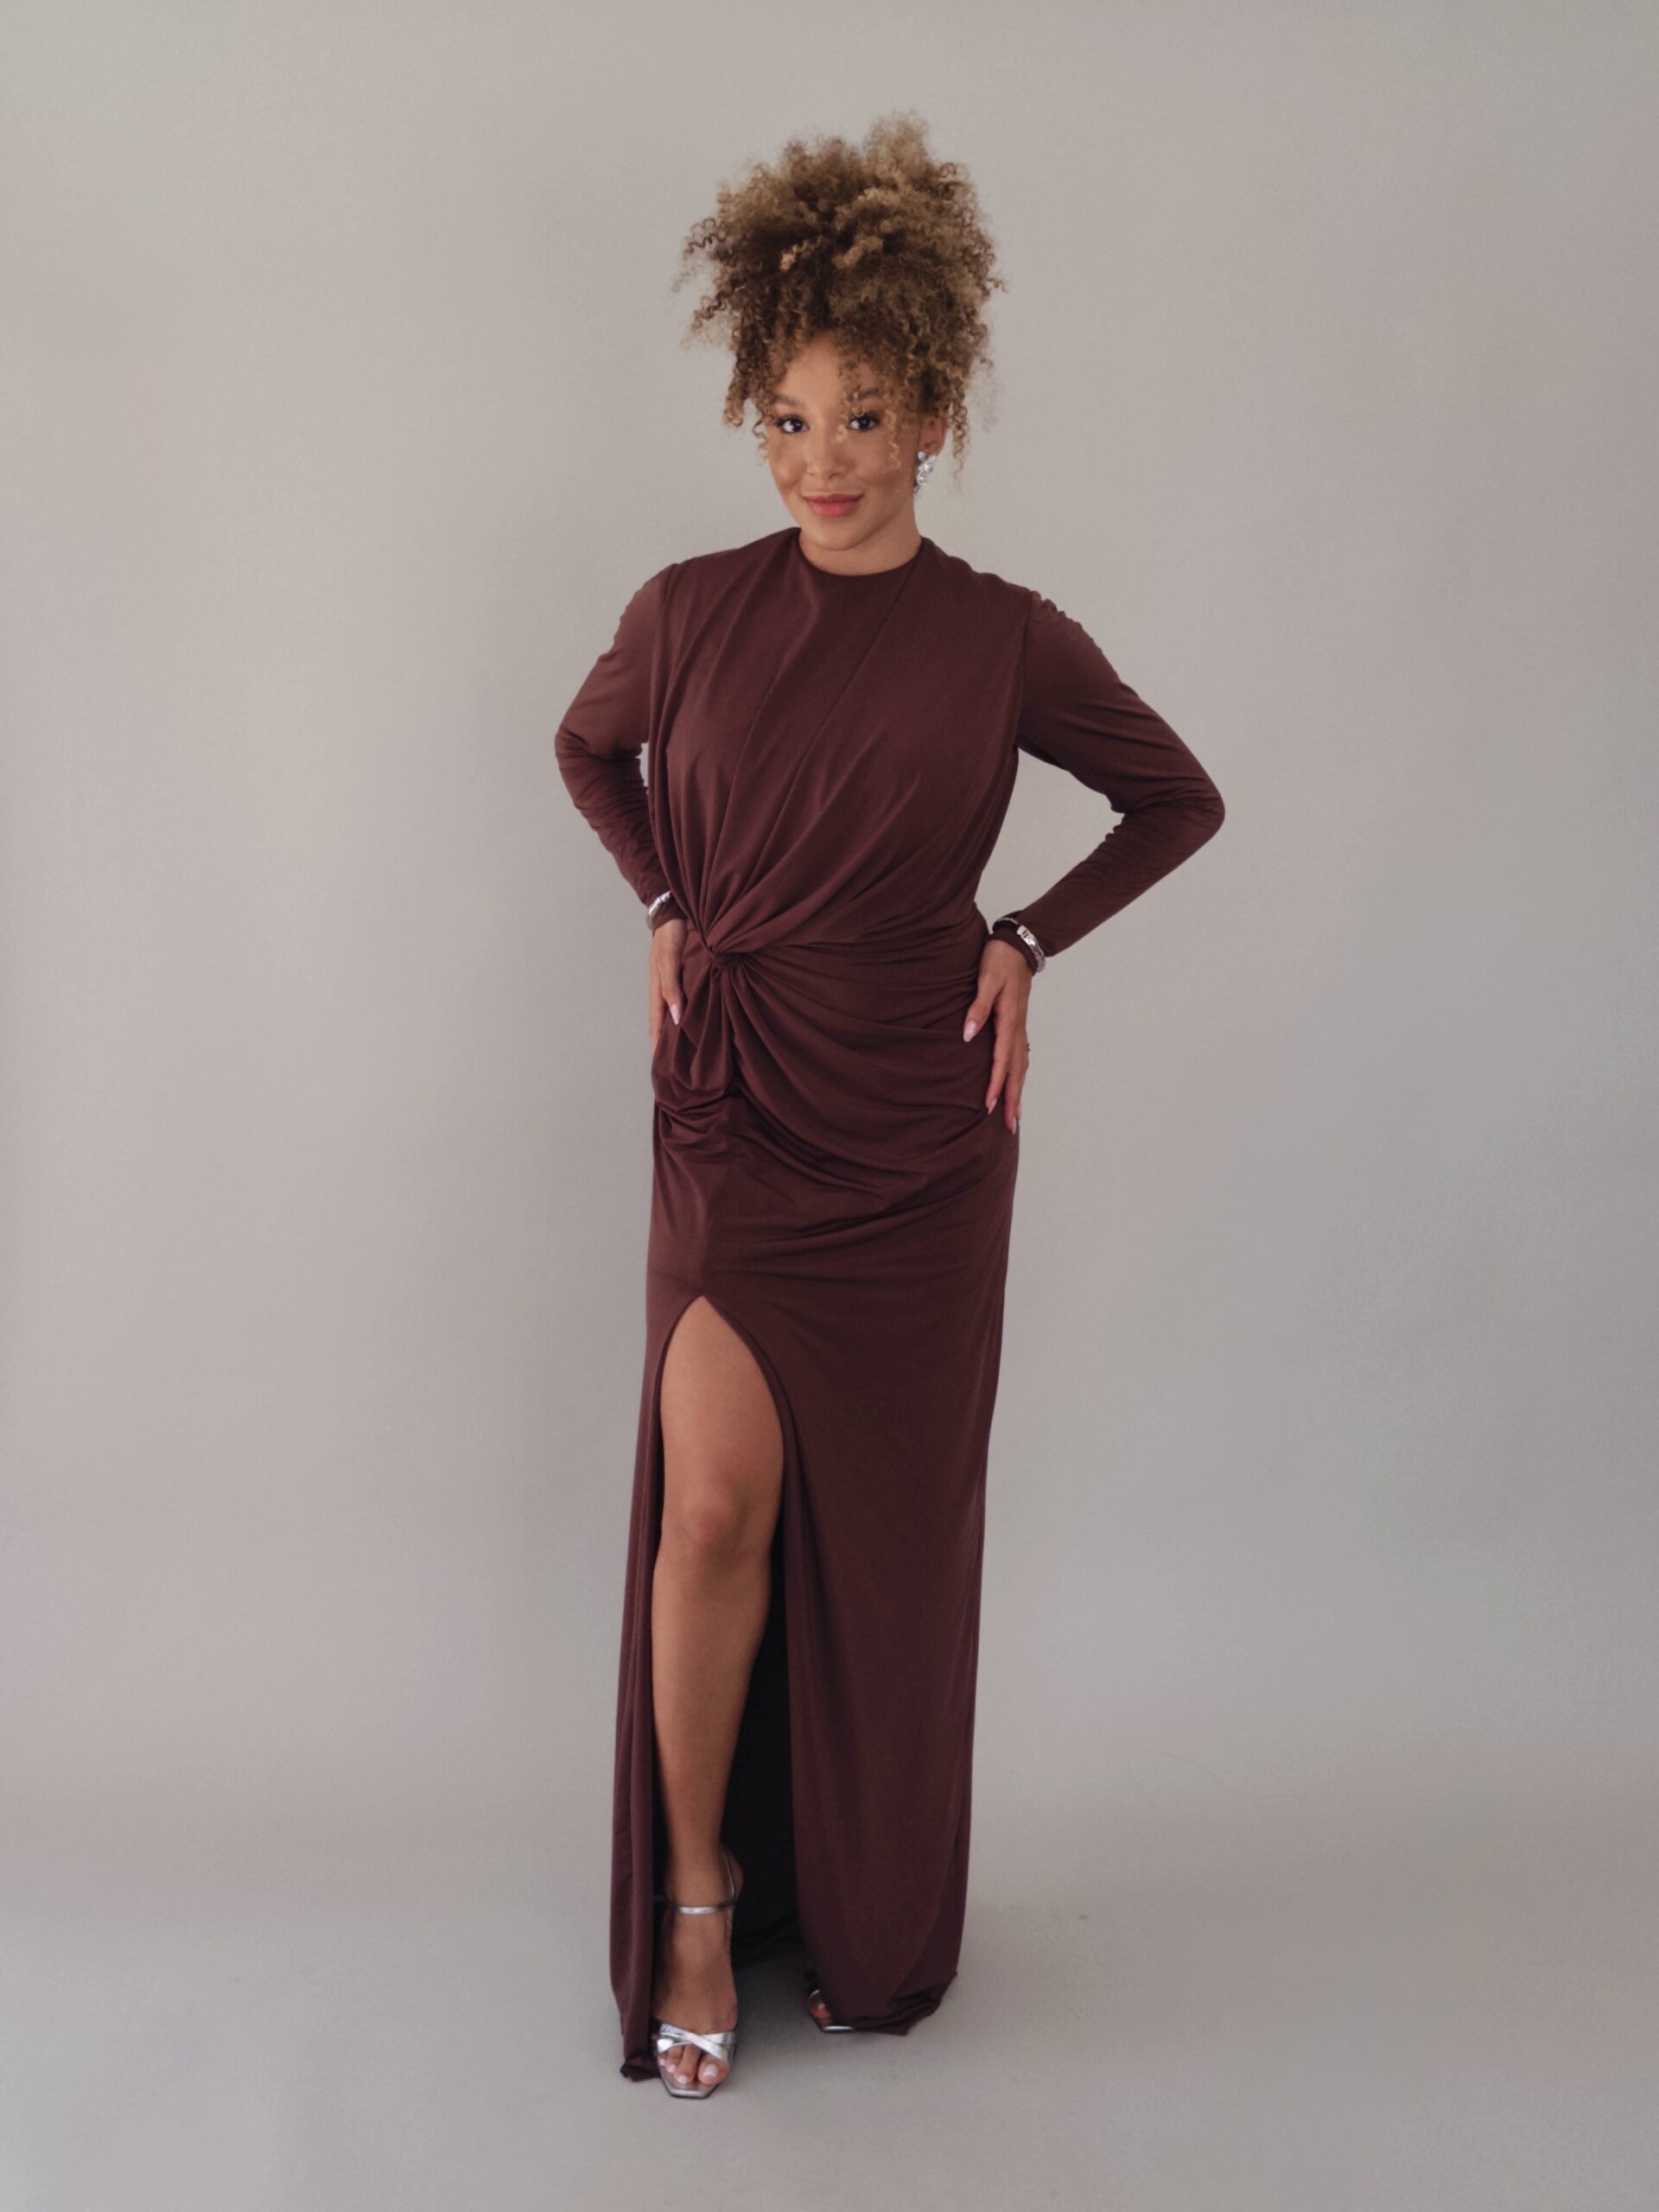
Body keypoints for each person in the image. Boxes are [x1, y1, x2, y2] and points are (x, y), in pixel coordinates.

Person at [555, 112, 1225, 2099]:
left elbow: (1177, 798)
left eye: (860, 417)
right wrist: (667, 901)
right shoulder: (686, 610)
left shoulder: (1005, 637)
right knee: (712, 1514)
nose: (820, 459)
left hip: (921, 1141)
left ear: (933, 412)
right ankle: (699, 1886)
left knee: (892, 1554)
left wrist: (1026, 935)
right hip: (735, 1103)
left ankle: (863, 1910)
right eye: (786, 418)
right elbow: (589, 750)